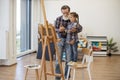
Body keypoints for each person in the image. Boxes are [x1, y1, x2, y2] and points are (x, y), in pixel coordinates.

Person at [54, 5, 70, 80]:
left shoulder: (72, 19)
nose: (65, 14)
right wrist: (59, 30)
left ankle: (67, 77)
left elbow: (76, 29)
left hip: (68, 41)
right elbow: (54, 29)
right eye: (63, 13)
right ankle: (57, 77)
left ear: (69, 11)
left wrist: (65, 29)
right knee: (58, 60)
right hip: (60, 40)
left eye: (66, 13)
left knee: (68, 60)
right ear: (61, 12)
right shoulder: (58, 19)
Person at [65, 12, 82, 79]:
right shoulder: (69, 24)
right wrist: (67, 31)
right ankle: (71, 61)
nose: (70, 18)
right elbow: (67, 30)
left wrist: (74, 40)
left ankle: (74, 61)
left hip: (74, 41)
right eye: (69, 17)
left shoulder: (76, 24)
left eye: (71, 17)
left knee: (74, 51)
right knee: (70, 53)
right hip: (68, 41)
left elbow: (79, 29)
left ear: (75, 18)